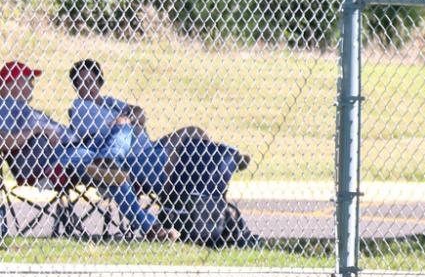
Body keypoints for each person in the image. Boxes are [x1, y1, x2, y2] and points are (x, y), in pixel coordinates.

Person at [65, 59, 256, 244]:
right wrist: (129, 118)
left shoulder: (109, 102)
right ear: (75, 87)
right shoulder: (81, 108)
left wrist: (130, 116)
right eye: (80, 83)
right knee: (189, 157)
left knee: (193, 132)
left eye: (91, 81)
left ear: (99, 82)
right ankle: (218, 163)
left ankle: (225, 157)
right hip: (134, 158)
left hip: (148, 148)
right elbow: (113, 127)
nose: (87, 87)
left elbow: (140, 112)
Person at [0, 60, 173, 240]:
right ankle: (150, 220)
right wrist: (38, 130)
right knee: (113, 166)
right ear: (13, 82)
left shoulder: (22, 108)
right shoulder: (4, 106)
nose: (32, 85)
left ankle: (112, 161)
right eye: (28, 80)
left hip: (78, 149)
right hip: (56, 159)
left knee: (117, 157)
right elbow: (2, 141)